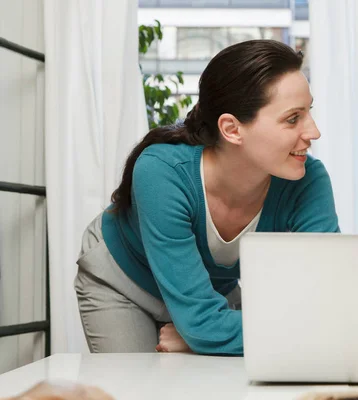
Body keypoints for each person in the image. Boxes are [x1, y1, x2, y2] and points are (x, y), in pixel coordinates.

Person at [74, 39, 339, 355]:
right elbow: (206, 327)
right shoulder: (162, 172)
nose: (314, 132)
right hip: (125, 282)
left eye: (309, 112)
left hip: (211, 296)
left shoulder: (308, 180)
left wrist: (202, 333)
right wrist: (203, 332)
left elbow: (328, 305)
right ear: (232, 129)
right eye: (293, 118)